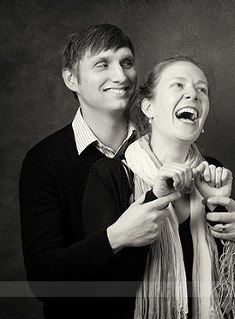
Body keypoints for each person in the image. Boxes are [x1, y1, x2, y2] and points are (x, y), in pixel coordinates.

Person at [19, 24, 181, 319]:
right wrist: (116, 237)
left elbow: (194, 252)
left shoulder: (165, 146)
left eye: (127, 62)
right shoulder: (44, 161)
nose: (121, 76)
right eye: (102, 64)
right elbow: (44, 278)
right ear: (71, 79)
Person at [81, 56, 235, 319]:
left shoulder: (211, 171)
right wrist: (156, 197)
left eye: (202, 90)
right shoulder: (110, 174)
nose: (193, 93)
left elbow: (226, 281)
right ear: (148, 107)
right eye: (178, 85)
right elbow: (108, 289)